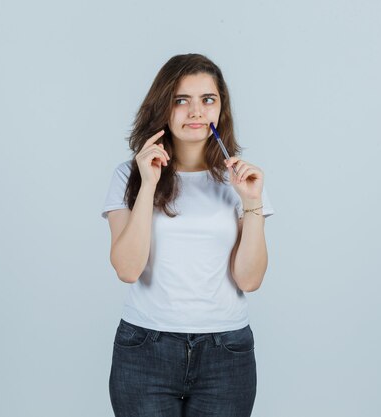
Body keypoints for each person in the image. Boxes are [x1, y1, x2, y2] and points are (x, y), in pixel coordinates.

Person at [100, 53, 275, 417]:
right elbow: (128, 269)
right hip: (145, 349)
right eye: (182, 100)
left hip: (226, 353)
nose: (196, 112)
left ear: (220, 109)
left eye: (207, 100)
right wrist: (148, 185)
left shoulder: (242, 181)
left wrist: (252, 203)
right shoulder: (128, 176)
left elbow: (250, 279)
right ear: (163, 107)